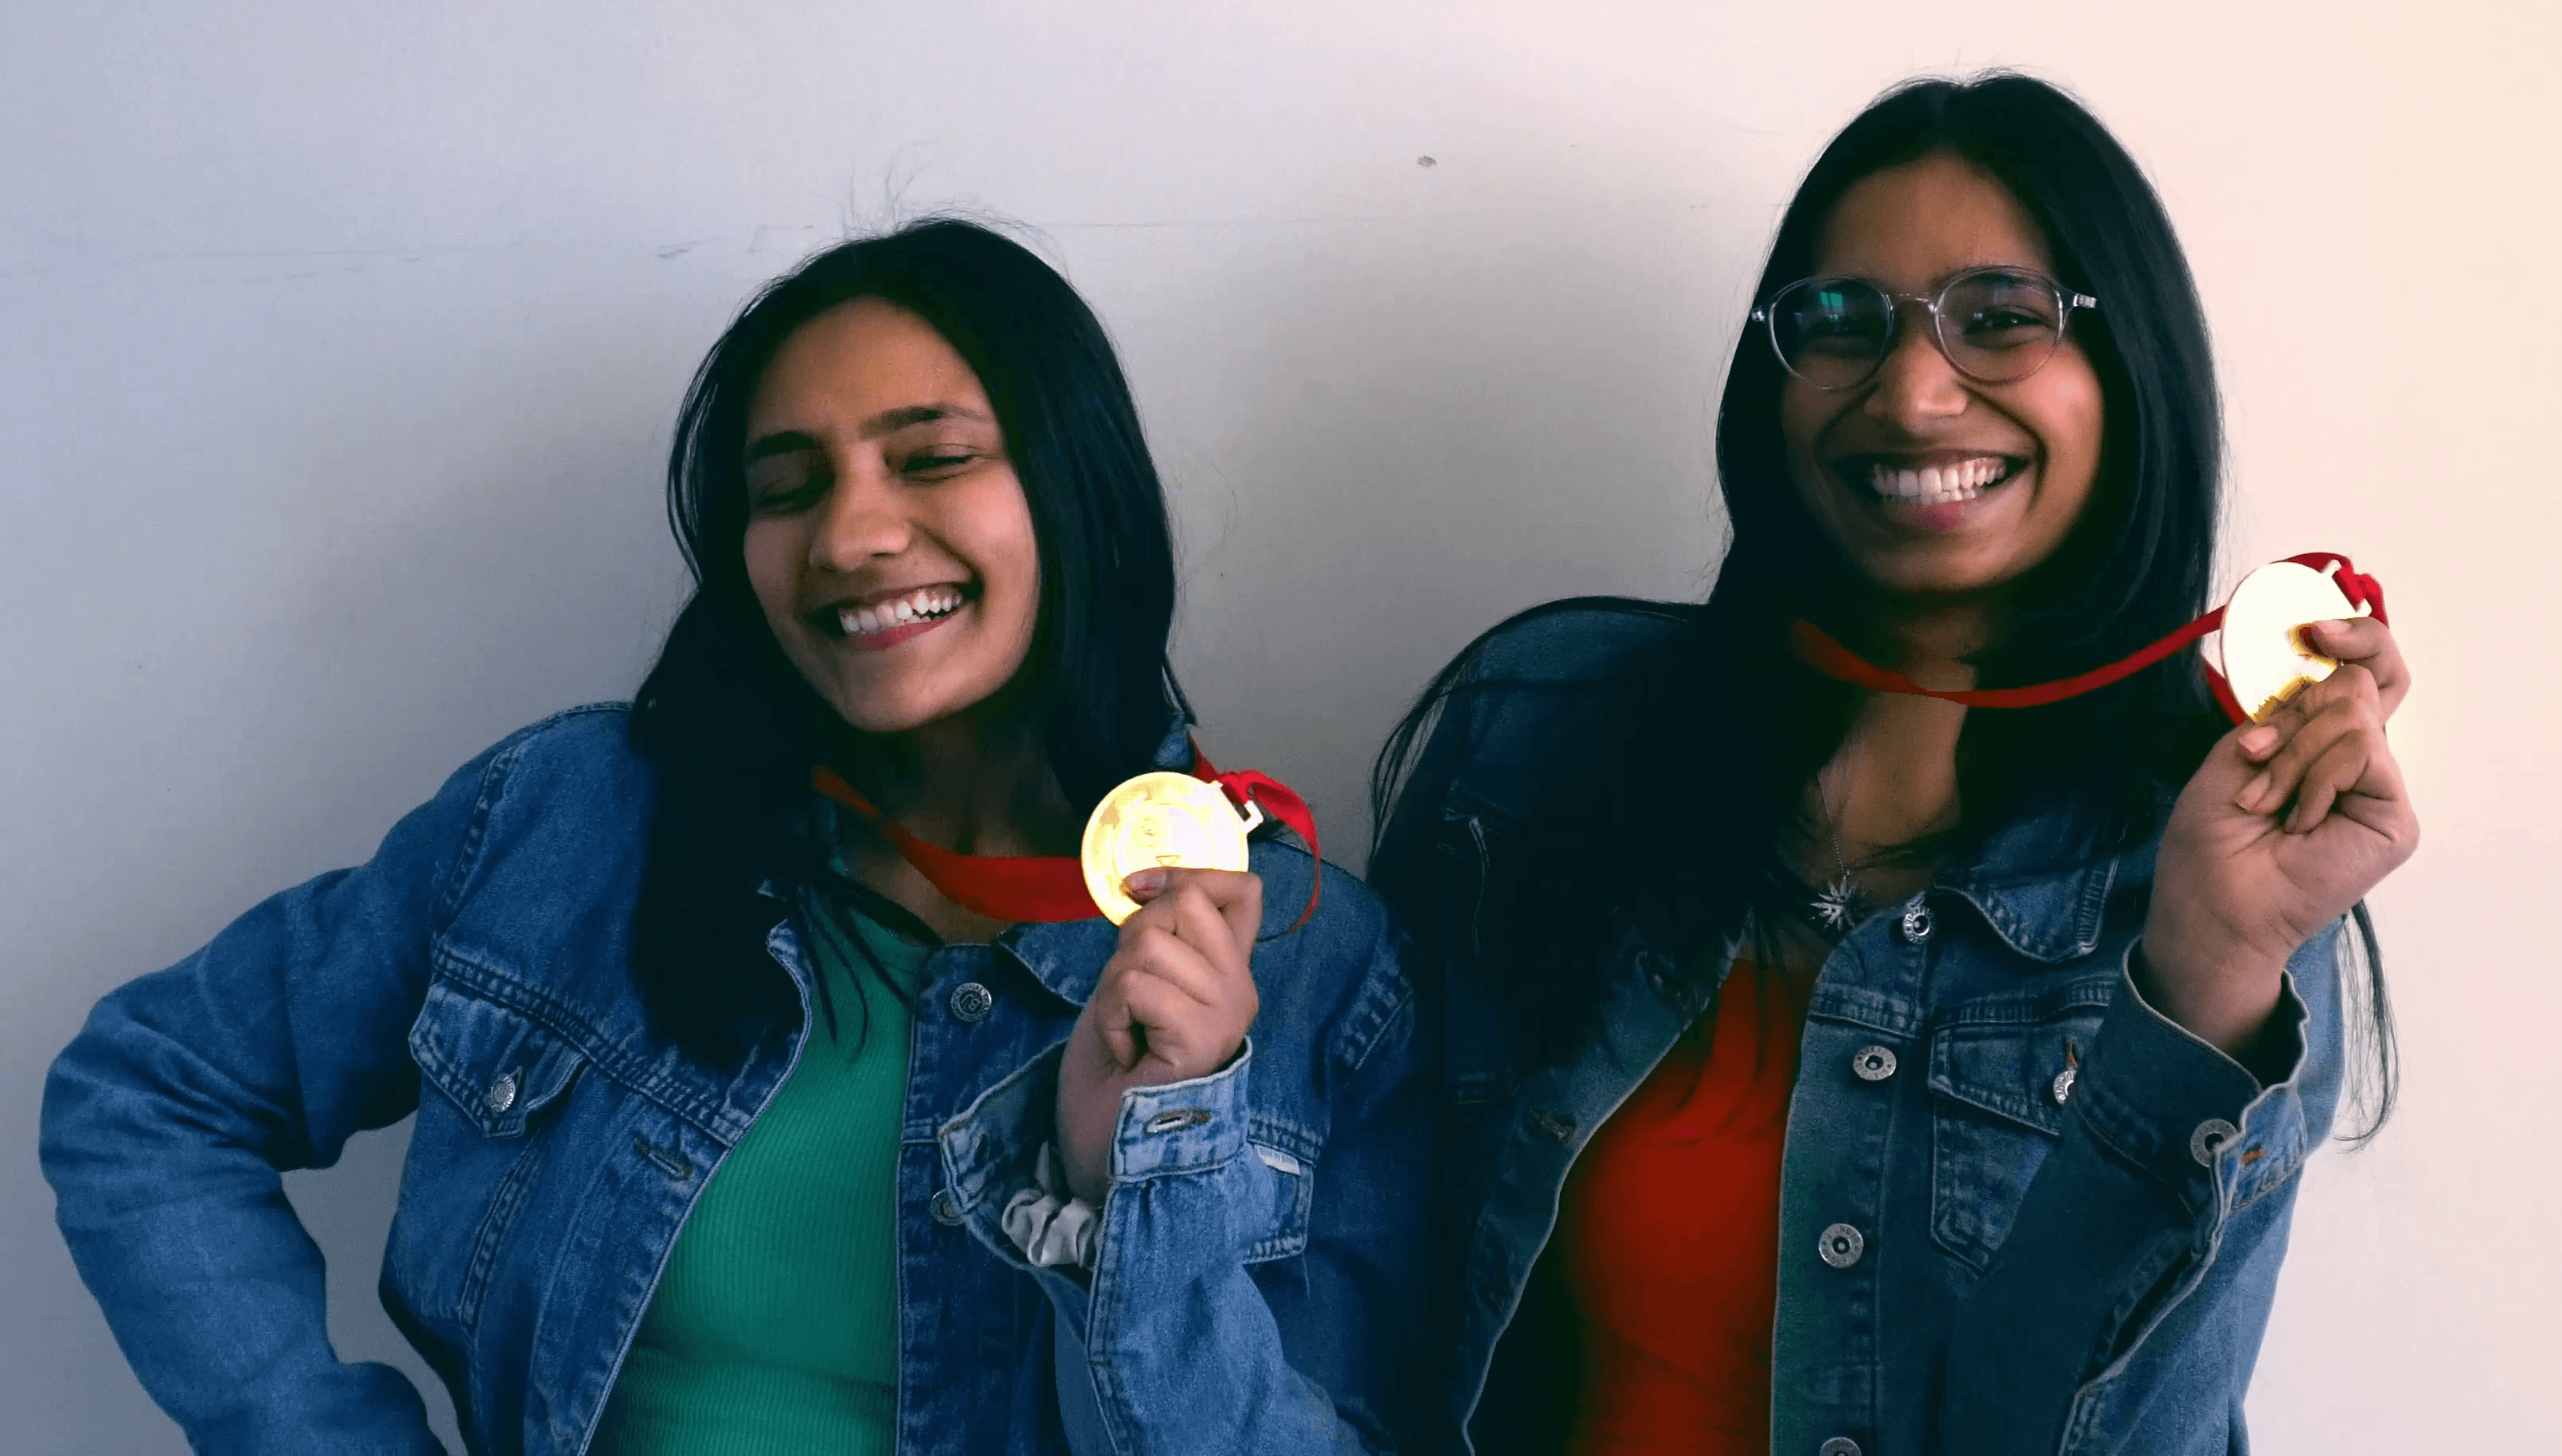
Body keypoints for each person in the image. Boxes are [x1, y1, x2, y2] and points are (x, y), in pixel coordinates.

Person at [42, 218, 1428, 1456]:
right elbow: (150, 1090)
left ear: (1078, 490)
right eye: (786, 488)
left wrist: (1145, 1164)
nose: (850, 534)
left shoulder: (1313, 965)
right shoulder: (573, 818)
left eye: (933, 458)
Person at [1368, 74, 2416, 1456]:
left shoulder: (2223, 867)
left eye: (2002, 318)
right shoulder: (1541, 737)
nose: (1914, 396)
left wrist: (2207, 981)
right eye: (1842, 322)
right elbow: (1351, 1302)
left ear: (2129, 369)